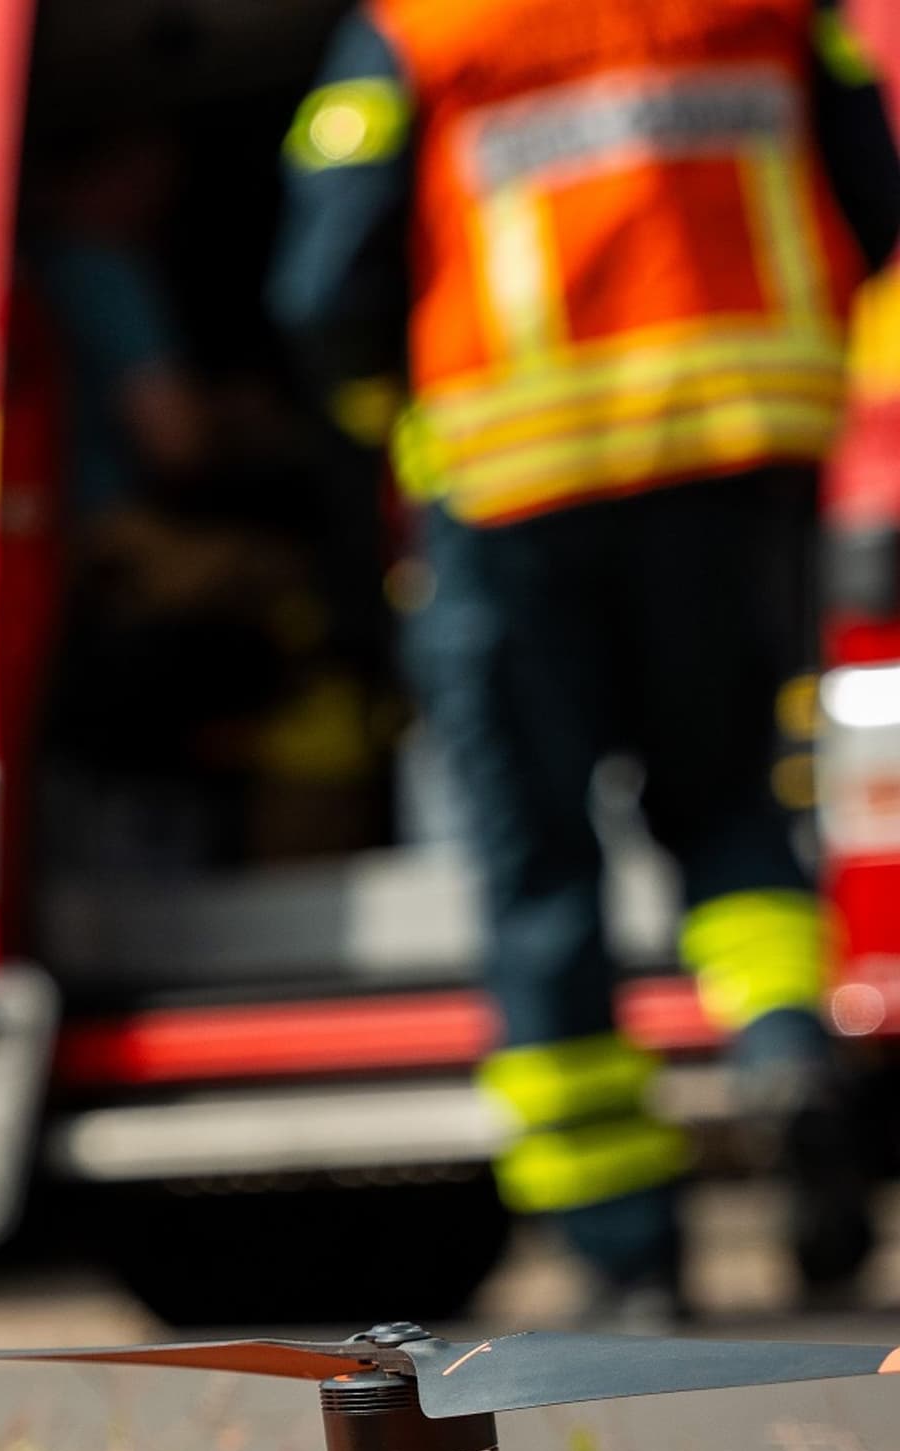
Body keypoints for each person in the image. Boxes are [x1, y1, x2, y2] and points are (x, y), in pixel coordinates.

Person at [272, 0, 900, 1316]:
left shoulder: (426, 27)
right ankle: (788, 1058)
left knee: (541, 863)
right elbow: (872, 189)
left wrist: (386, 428)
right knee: (732, 808)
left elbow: (326, 281)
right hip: (741, 456)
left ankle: (629, 1255)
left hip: (513, 488)